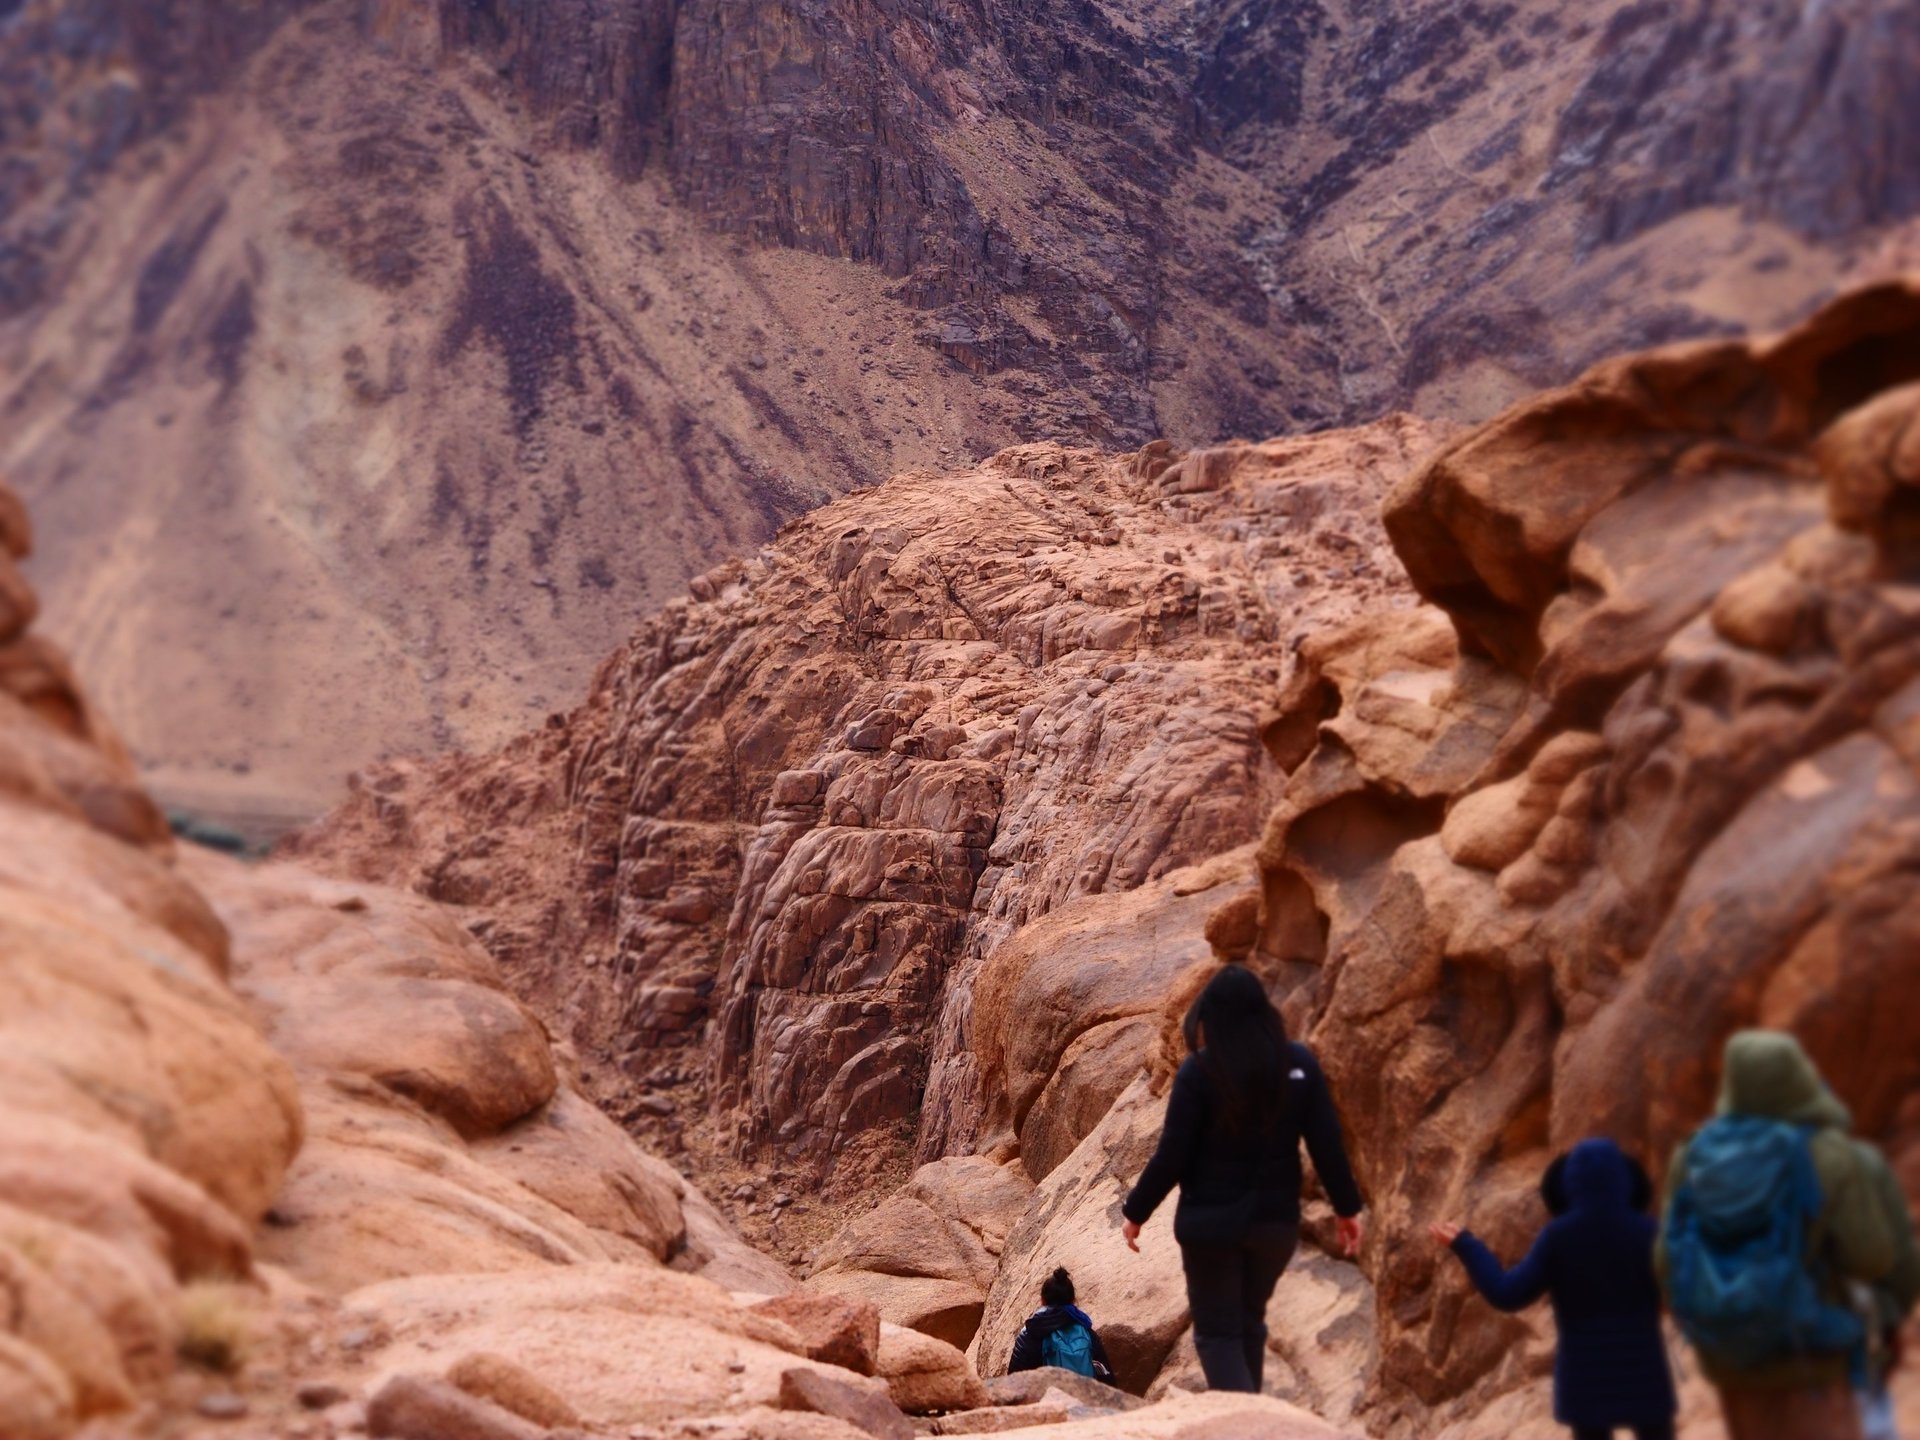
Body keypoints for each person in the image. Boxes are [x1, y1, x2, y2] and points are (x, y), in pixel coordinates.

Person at [1657, 1030, 1916, 1440]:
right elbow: (1872, 1257)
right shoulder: (1828, 1153)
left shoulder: (1692, 1156)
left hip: (1731, 1364)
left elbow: (1665, 1263)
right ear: (1798, 1076)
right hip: (1812, 1355)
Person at [1118, 964, 1364, 1393]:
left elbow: (1172, 1155)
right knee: (1249, 1323)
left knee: (1218, 1334)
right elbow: (1327, 1144)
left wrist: (1136, 1212)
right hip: (1274, 1225)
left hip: (1209, 1228)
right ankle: (1253, 1417)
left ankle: (1244, 1424)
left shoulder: (1199, 1072)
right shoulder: (1299, 1064)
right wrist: (1347, 1209)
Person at [1430, 1138, 1678, 1440]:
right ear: (1623, 1179)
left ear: (1570, 1183)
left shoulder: (1558, 1238)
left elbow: (1505, 1293)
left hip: (1586, 1383)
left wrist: (1465, 1244)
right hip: (1644, 1378)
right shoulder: (1647, 1232)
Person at [1006, 1266, 1117, 1383]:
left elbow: (1013, 1380)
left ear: (1042, 1300)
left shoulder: (1031, 1332)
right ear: (1072, 1300)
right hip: (1082, 1398)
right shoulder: (1086, 1331)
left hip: (1045, 1399)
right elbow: (1106, 1377)